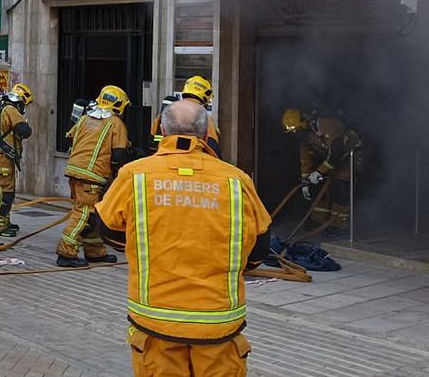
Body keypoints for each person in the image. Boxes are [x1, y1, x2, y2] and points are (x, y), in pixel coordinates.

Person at [96, 99, 271, 376]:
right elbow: (260, 249)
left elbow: (108, 230)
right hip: (219, 325)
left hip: (156, 323)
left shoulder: (134, 175)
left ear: (162, 132)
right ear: (206, 134)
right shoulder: (236, 180)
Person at [55, 85, 131, 268]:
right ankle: (66, 252)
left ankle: (95, 251)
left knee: (95, 215)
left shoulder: (84, 119)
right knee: (85, 214)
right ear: (119, 105)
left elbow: (69, 137)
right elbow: (119, 155)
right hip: (93, 176)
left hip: (75, 171)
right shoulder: (116, 123)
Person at [282, 108, 360, 238]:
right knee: (319, 185)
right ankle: (318, 220)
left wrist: (319, 172)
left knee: (341, 185)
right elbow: (305, 162)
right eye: (292, 132)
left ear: (304, 123)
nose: (295, 134)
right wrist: (306, 183)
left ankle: (339, 225)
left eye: (296, 130)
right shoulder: (305, 139)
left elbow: (337, 153)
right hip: (333, 158)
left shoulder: (325, 125)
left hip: (352, 155)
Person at [0, 83, 34, 237]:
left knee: (8, 192)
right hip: (3, 158)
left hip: (4, 157)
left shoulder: (4, 107)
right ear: (20, 101)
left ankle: (4, 221)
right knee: (3, 192)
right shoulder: (10, 110)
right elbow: (24, 130)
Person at [150, 76, 221, 156]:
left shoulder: (166, 114)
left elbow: (152, 142)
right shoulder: (205, 119)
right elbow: (214, 149)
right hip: (196, 163)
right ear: (205, 97)